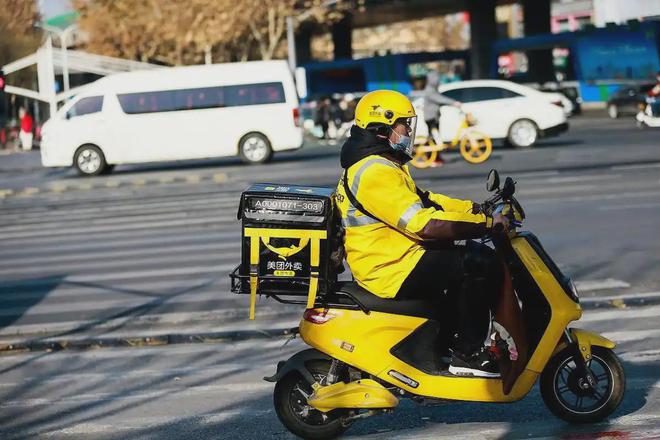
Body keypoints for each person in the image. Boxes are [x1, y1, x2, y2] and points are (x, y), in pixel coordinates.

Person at [336, 90, 510, 378]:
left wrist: (479, 210)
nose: (409, 132)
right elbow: (423, 224)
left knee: (466, 259)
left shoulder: (381, 164)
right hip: (389, 267)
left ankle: (451, 345)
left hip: (398, 256)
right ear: (382, 128)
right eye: (404, 125)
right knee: (478, 262)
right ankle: (467, 355)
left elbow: (427, 201)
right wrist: (487, 225)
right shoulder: (374, 172)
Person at [423, 71, 462, 166]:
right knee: (433, 139)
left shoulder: (433, 89)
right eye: (436, 79)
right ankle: (431, 159)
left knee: (435, 139)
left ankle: (437, 157)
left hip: (434, 117)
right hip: (430, 117)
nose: (438, 81)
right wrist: (453, 103)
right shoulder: (430, 90)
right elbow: (439, 99)